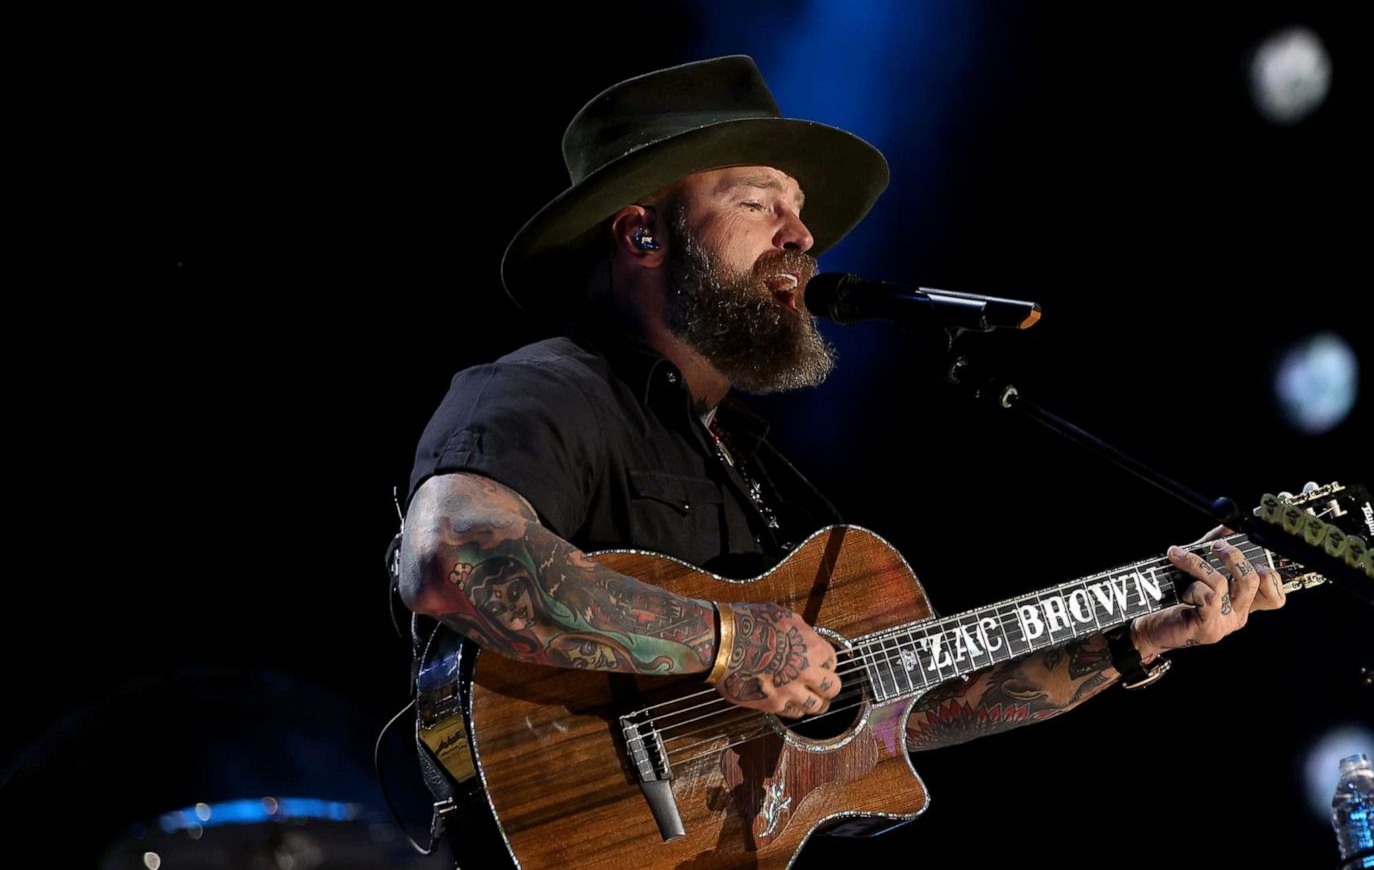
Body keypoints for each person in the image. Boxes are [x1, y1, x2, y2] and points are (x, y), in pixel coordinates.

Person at [396, 54, 1286, 751]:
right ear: (643, 233)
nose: (803, 236)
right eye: (759, 203)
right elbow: (453, 564)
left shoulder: (747, 458)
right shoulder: (546, 391)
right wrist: (729, 644)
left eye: (800, 209)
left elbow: (892, 717)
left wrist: (1136, 639)